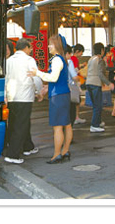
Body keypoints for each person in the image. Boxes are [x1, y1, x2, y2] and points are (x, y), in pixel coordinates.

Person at [28, 34, 72, 164]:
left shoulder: (56, 60)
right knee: (67, 125)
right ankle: (65, 151)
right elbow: (57, 79)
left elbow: (53, 78)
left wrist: (38, 73)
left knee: (57, 127)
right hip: (63, 94)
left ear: (57, 46)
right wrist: (47, 87)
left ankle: (57, 154)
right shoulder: (62, 59)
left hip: (57, 96)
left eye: (50, 44)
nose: (48, 46)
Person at [4, 38, 42, 164]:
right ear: (26, 47)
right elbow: (35, 77)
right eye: (30, 48)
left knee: (17, 123)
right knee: (21, 125)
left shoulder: (9, 61)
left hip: (11, 97)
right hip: (24, 97)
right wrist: (39, 92)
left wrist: (5, 95)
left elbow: (5, 79)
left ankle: (27, 147)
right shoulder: (29, 60)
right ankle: (13, 155)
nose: (31, 50)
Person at [86, 42, 114, 133]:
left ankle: (98, 121)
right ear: (102, 50)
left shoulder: (91, 59)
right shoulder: (99, 60)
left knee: (95, 105)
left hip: (88, 83)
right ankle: (94, 125)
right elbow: (100, 73)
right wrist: (109, 83)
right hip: (95, 84)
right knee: (98, 105)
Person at [65, 45, 80, 126]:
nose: (70, 55)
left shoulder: (56, 61)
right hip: (69, 89)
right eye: (70, 53)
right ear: (67, 53)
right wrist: (79, 80)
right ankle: (68, 137)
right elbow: (74, 76)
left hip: (59, 92)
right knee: (71, 115)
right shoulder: (69, 62)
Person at [71, 44, 86, 124]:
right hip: (75, 82)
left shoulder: (72, 59)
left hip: (72, 82)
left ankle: (75, 117)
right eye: (81, 52)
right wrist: (81, 75)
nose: (82, 54)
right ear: (77, 51)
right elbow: (75, 70)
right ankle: (76, 117)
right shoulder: (74, 59)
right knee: (76, 100)